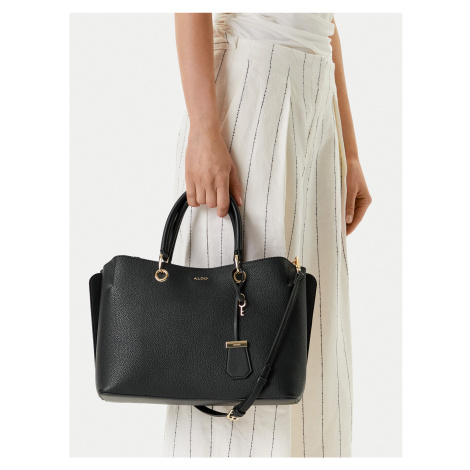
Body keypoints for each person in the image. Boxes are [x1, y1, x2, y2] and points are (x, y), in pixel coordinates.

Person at [163, 13, 372, 458]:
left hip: (319, 103)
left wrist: (350, 152)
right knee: (233, 338)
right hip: (253, 88)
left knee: (313, 348)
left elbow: (326, 20)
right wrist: (203, 130)